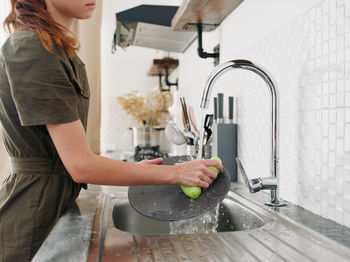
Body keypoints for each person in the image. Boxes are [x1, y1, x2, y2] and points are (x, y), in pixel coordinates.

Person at [0, 0, 222, 261]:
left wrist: (143, 171)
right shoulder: (34, 46)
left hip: (51, 206)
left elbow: (69, 157)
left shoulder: (56, 48)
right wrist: (174, 174)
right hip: (32, 217)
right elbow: (80, 166)